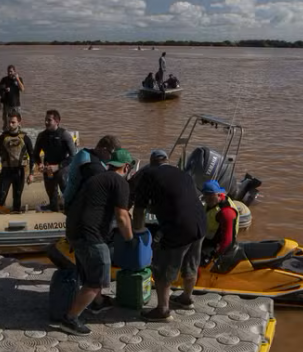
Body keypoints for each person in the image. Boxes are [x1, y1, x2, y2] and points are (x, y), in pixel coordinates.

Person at [57, 149, 135, 335]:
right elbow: (122, 217)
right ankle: (70, 319)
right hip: (89, 234)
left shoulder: (98, 178)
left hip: (74, 231)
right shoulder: (120, 182)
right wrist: (130, 239)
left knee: (89, 270)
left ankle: (97, 303)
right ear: (126, 167)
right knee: (97, 279)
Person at [132, 153, 206, 322]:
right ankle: (186, 299)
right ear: (167, 162)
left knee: (162, 269)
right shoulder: (183, 174)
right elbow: (179, 199)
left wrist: (138, 233)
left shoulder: (149, 174)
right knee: (191, 263)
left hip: (179, 226)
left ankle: (162, 310)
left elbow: (139, 208)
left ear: (151, 164)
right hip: (200, 223)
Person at [0, 112, 35, 213]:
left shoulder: (25, 138)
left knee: (17, 199)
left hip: (19, 172)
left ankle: (16, 215)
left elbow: (33, 156)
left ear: (19, 122)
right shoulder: (2, 137)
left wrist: (31, 173)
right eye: (9, 122)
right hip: (6, 172)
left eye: (13, 122)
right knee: (0, 199)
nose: (10, 125)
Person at [62, 135, 122, 211]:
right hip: (76, 207)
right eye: (113, 156)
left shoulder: (85, 152)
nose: (114, 159)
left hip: (71, 200)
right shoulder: (92, 166)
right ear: (104, 150)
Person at [33, 110, 77, 212]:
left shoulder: (65, 135)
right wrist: (40, 164)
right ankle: (53, 206)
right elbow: (35, 155)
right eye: (45, 120)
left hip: (63, 166)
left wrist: (58, 166)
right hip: (48, 168)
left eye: (49, 120)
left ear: (57, 121)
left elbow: (73, 156)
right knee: (52, 197)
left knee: (62, 178)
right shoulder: (42, 136)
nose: (46, 122)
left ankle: (70, 206)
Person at [200, 180, 240, 261]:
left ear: (219, 195)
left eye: (210, 195)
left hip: (215, 245)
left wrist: (217, 255)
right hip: (207, 237)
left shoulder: (226, 213)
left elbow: (227, 241)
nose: (206, 198)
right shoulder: (211, 203)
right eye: (205, 194)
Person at [0, 65, 24, 131]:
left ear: (14, 72)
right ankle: (5, 136)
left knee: (17, 121)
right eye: (8, 71)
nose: (9, 73)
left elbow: (22, 89)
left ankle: (18, 135)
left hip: (16, 105)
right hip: (6, 105)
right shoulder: (4, 79)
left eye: (11, 71)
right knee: (6, 122)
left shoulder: (19, 79)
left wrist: (17, 79)